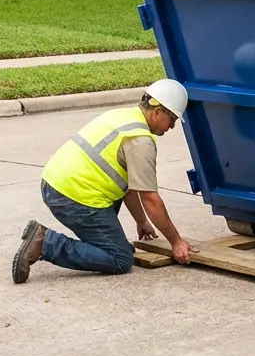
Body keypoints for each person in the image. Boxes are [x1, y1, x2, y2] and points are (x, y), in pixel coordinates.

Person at [12, 79, 197, 283]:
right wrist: (176, 242)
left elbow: (129, 187)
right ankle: (45, 243)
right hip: (74, 197)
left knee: (117, 246)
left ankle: (100, 243)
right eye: (172, 119)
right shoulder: (140, 141)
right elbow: (150, 199)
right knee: (120, 259)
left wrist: (141, 221)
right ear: (158, 112)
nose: (171, 127)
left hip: (54, 184)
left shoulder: (122, 115)